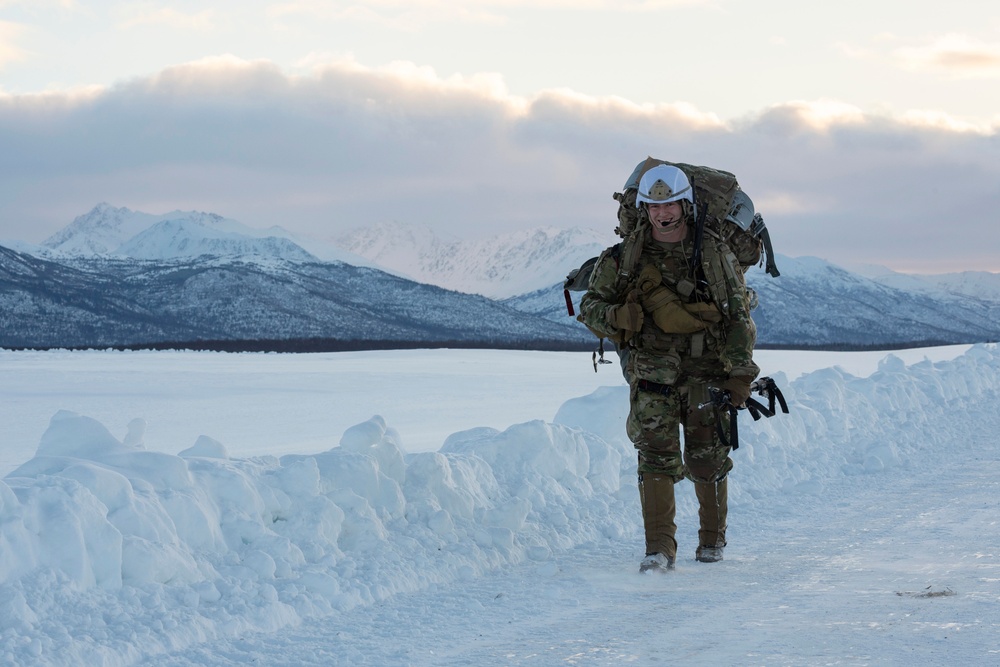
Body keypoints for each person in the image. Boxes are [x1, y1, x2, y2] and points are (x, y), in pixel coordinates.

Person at [579, 163, 760, 572]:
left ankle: (712, 542)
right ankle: (659, 549)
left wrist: (739, 373)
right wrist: (616, 317)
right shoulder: (625, 257)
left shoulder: (713, 253)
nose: (663, 214)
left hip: (707, 371)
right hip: (652, 374)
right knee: (655, 457)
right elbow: (591, 306)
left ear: (685, 204)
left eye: (670, 205)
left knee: (707, 456)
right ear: (643, 209)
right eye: (654, 206)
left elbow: (737, 317)